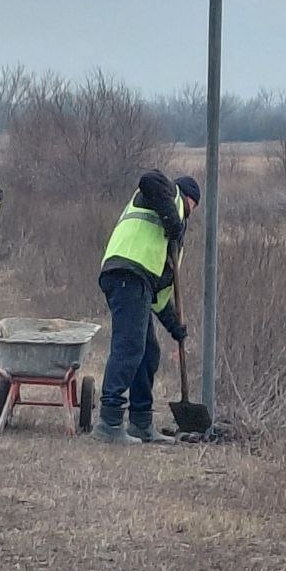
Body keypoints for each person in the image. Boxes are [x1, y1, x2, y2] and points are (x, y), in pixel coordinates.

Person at [92, 170, 200, 445]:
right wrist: (173, 220)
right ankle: (109, 422)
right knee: (129, 347)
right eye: (193, 206)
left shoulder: (172, 241)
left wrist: (176, 329)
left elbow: (160, 299)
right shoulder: (167, 192)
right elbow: (148, 179)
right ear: (187, 197)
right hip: (127, 270)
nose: (191, 213)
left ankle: (141, 423)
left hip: (138, 281)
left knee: (148, 352)